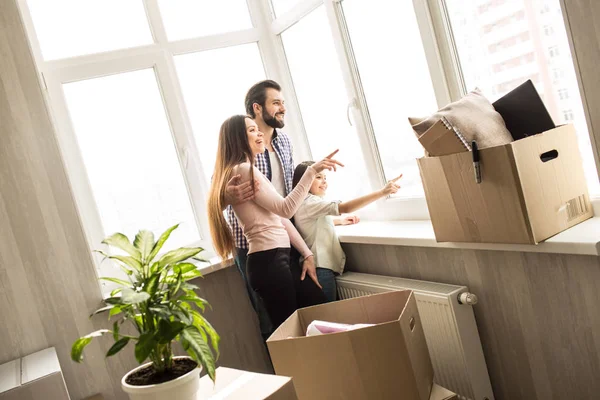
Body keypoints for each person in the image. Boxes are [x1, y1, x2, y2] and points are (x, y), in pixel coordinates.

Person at [208, 115, 342, 329]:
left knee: (314, 310)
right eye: (252, 130)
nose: (259, 133)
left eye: (257, 129)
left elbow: (280, 217)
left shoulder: (250, 170)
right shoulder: (243, 170)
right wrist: (310, 172)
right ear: (237, 138)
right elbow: (286, 209)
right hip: (268, 261)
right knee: (291, 331)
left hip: (277, 257)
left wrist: (307, 254)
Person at [222, 80, 320, 339]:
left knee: (295, 319)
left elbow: (284, 203)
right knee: (275, 326)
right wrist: (227, 195)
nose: (282, 108)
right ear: (257, 108)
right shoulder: (241, 163)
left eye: (283, 103)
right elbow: (218, 192)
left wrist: (304, 249)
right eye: (276, 103)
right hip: (254, 245)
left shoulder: (284, 142)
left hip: (283, 236)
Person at [292, 161, 403, 302]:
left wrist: (339, 221)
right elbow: (345, 207)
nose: (324, 182)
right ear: (304, 180)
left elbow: (313, 223)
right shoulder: (310, 202)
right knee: (329, 316)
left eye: (325, 178)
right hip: (320, 269)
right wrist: (382, 192)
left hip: (320, 268)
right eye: (319, 177)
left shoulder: (303, 202)